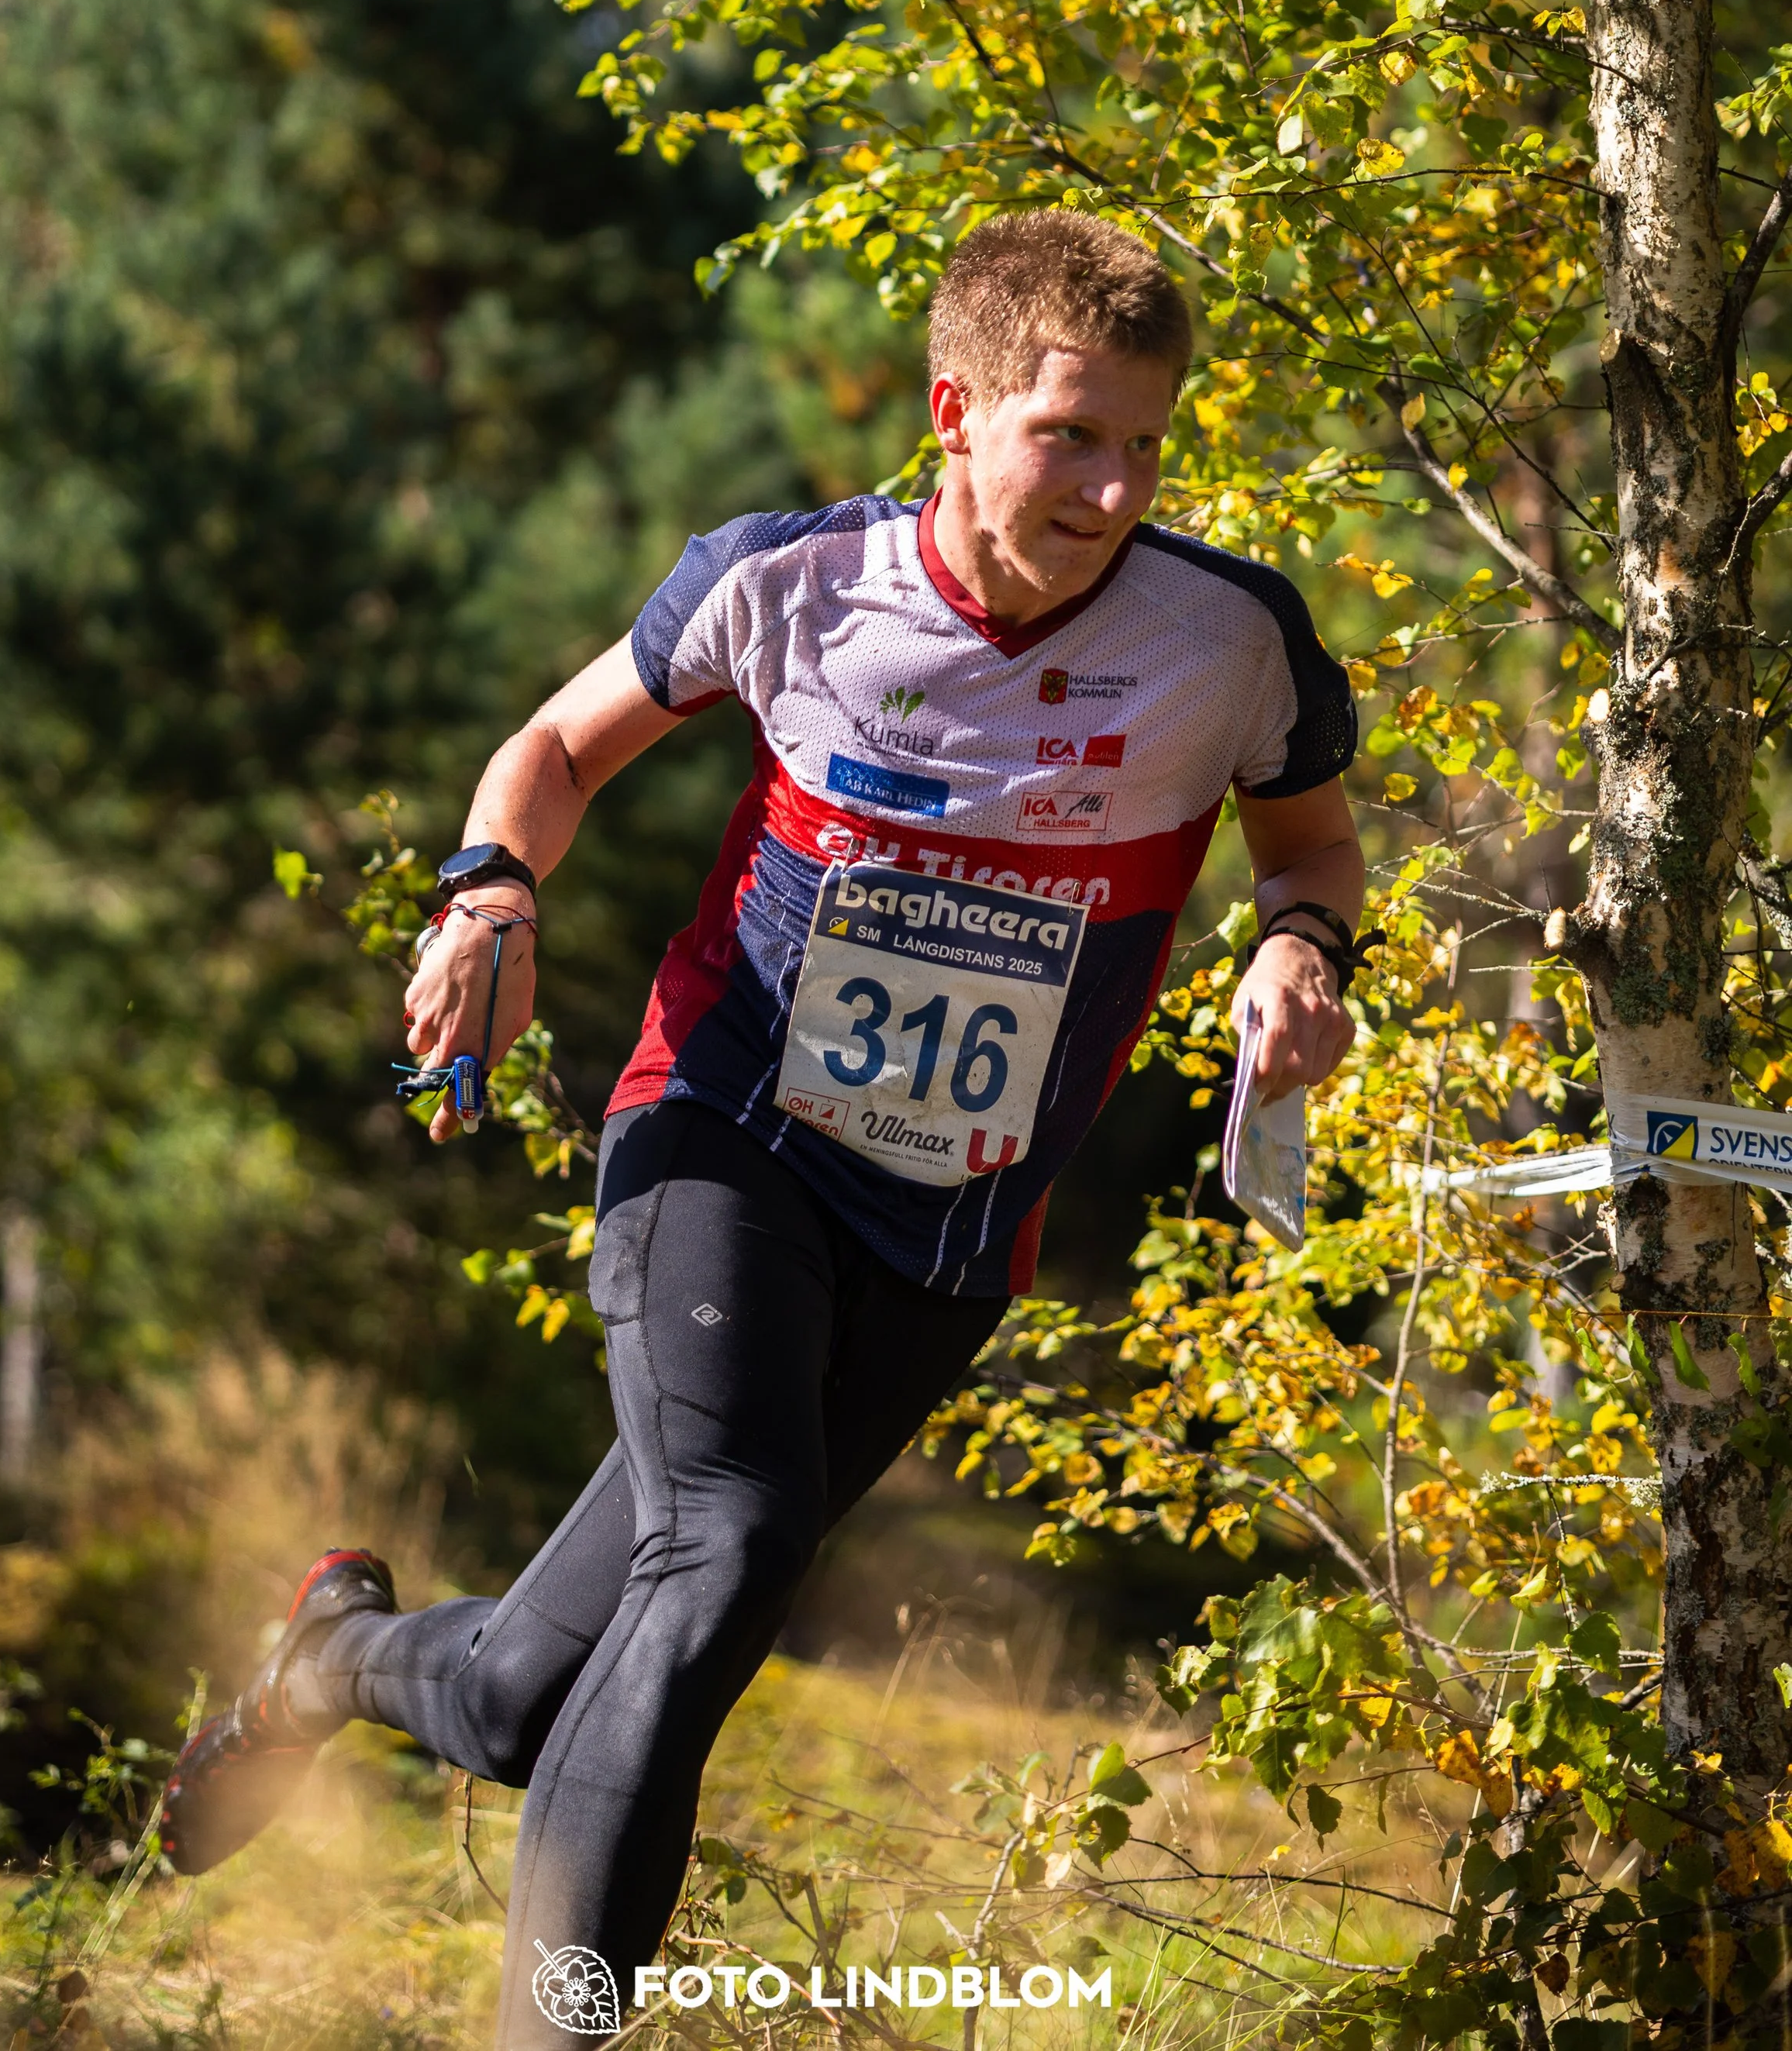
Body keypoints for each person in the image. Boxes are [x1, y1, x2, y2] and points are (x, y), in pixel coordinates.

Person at [157, 209, 1366, 2042]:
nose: (1114, 486)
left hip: (948, 1222)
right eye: (1068, 434)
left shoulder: (1229, 638)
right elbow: (554, 751)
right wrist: (489, 891)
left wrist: (1298, 952)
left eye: (1145, 443)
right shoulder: (791, 580)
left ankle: (327, 1653)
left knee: (517, 1700)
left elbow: (1308, 843)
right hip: (723, 1135)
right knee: (726, 1545)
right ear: (955, 410)